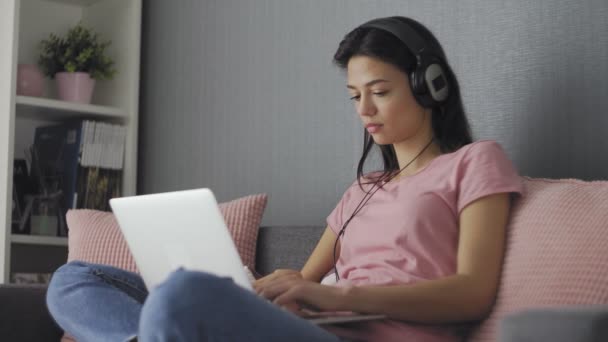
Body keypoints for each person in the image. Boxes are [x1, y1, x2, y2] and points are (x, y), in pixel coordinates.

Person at [46, 16, 523, 342]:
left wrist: (341, 296)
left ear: (429, 85)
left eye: (379, 92)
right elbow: (303, 279)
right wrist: (264, 287)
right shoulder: (362, 191)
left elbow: (472, 291)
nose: (364, 110)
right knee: (75, 277)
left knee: (182, 294)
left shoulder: (474, 162)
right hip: (307, 327)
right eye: (354, 95)